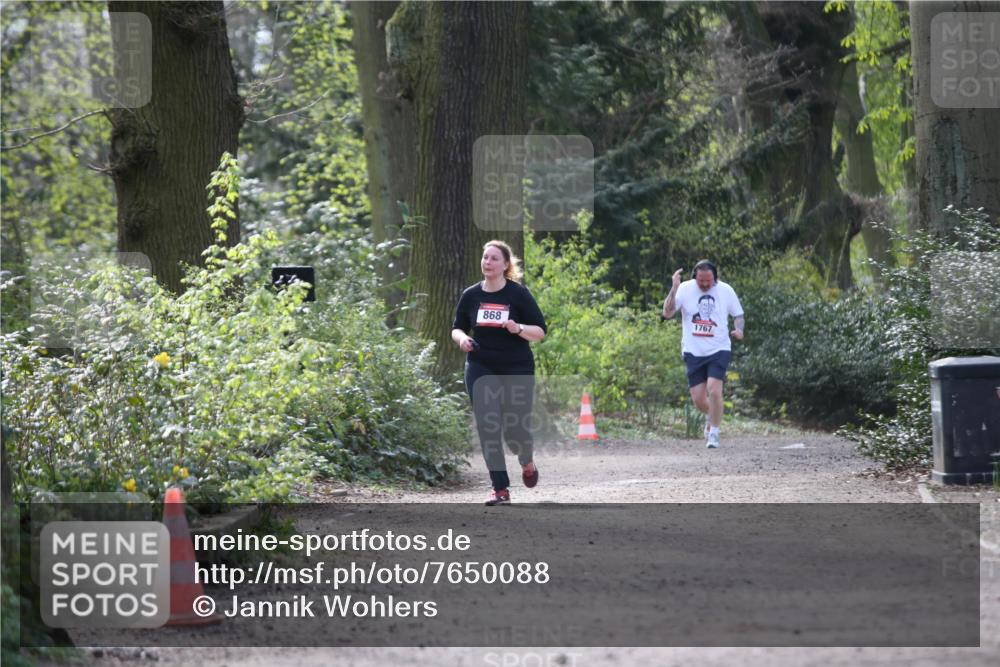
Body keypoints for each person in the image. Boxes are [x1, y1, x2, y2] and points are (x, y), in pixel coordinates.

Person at [452, 240, 548, 505]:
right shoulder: (471, 295)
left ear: (505, 265)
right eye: (485, 257)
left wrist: (517, 328)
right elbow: (457, 327)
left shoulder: (518, 294)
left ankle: (526, 460)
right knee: (488, 425)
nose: (488, 262)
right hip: (481, 365)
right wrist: (461, 340)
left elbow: (540, 332)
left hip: (516, 366)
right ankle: (500, 488)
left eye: (494, 258)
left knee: (515, 429)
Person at [662, 260, 745, 448]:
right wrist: (674, 288)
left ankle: (714, 432)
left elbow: (738, 315)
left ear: (715, 278)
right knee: (699, 400)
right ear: (694, 277)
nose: (706, 284)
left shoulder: (726, 290)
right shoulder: (684, 289)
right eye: (701, 281)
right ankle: (712, 415)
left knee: (714, 390)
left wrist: (739, 329)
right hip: (693, 351)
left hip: (719, 349)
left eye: (709, 281)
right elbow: (667, 313)